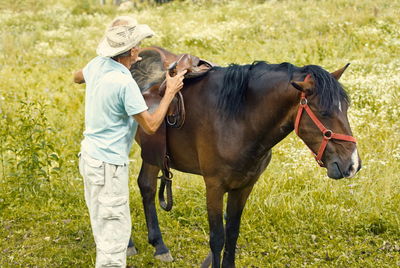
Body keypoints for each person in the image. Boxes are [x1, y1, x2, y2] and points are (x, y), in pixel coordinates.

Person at [73, 16, 186, 268]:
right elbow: (151, 124)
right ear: (134, 50)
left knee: (102, 225)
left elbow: (76, 77)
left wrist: (91, 72)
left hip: (89, 157)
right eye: (139, 44)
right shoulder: (125, 84)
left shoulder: (96, 65)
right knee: (114, 242)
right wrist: (169, 91)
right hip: (109, 168)